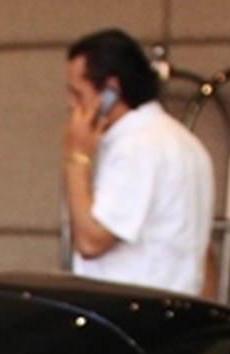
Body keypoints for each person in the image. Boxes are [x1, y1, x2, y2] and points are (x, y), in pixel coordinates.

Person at [61, 29, 215, 296]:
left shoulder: (138, 147)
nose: (72, 105)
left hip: (132, 313)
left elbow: (91, 241)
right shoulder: (184, 142)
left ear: (111, 90)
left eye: (78, 94)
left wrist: (77, 157)